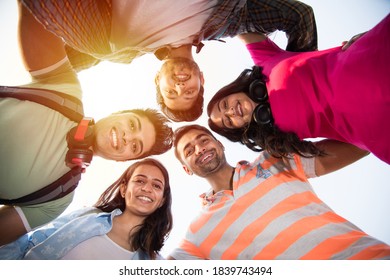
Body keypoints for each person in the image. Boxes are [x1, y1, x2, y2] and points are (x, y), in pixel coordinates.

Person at [0, 1, 172, 247]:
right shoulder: (65, 89)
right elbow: (35, 10)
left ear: (121, 160)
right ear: (118, 112)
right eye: (132, 125)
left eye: (135, 147)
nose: (127, 138)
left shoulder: (57, 198)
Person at [20, 0, 318, 122]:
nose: (179, 85)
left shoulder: (122, 47)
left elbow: (56, 67)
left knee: (102, 48)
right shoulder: (233, 20)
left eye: (171, 92)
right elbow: (299, 17)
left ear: (157, 80)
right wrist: (294, 100)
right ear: (202, 77)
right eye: (189, 91)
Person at [169, 124, 390, 259]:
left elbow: (363, 141)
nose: (200, 149)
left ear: (220, 144)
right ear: (187, 169)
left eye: (204, 140)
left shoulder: (273, 159)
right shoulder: (197, 234)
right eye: (189, 150)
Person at [207, 14, 390, 164]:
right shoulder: (277, 139)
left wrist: (192, 34)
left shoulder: (264, 61)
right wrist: (365, 143)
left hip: (367, 61)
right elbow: (321, 160)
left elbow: (236, 19)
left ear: (230, 91)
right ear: (240, 129)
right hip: (376, 125)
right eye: (228, 121)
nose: (231, 112)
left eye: (224, 105)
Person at [0, 158, 173, 260]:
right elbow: (30, 243)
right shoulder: (87, 216)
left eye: (156, 186)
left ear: (161, 201)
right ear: (123, 189)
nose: (147, 189)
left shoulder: (152, 262)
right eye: (140, 181)